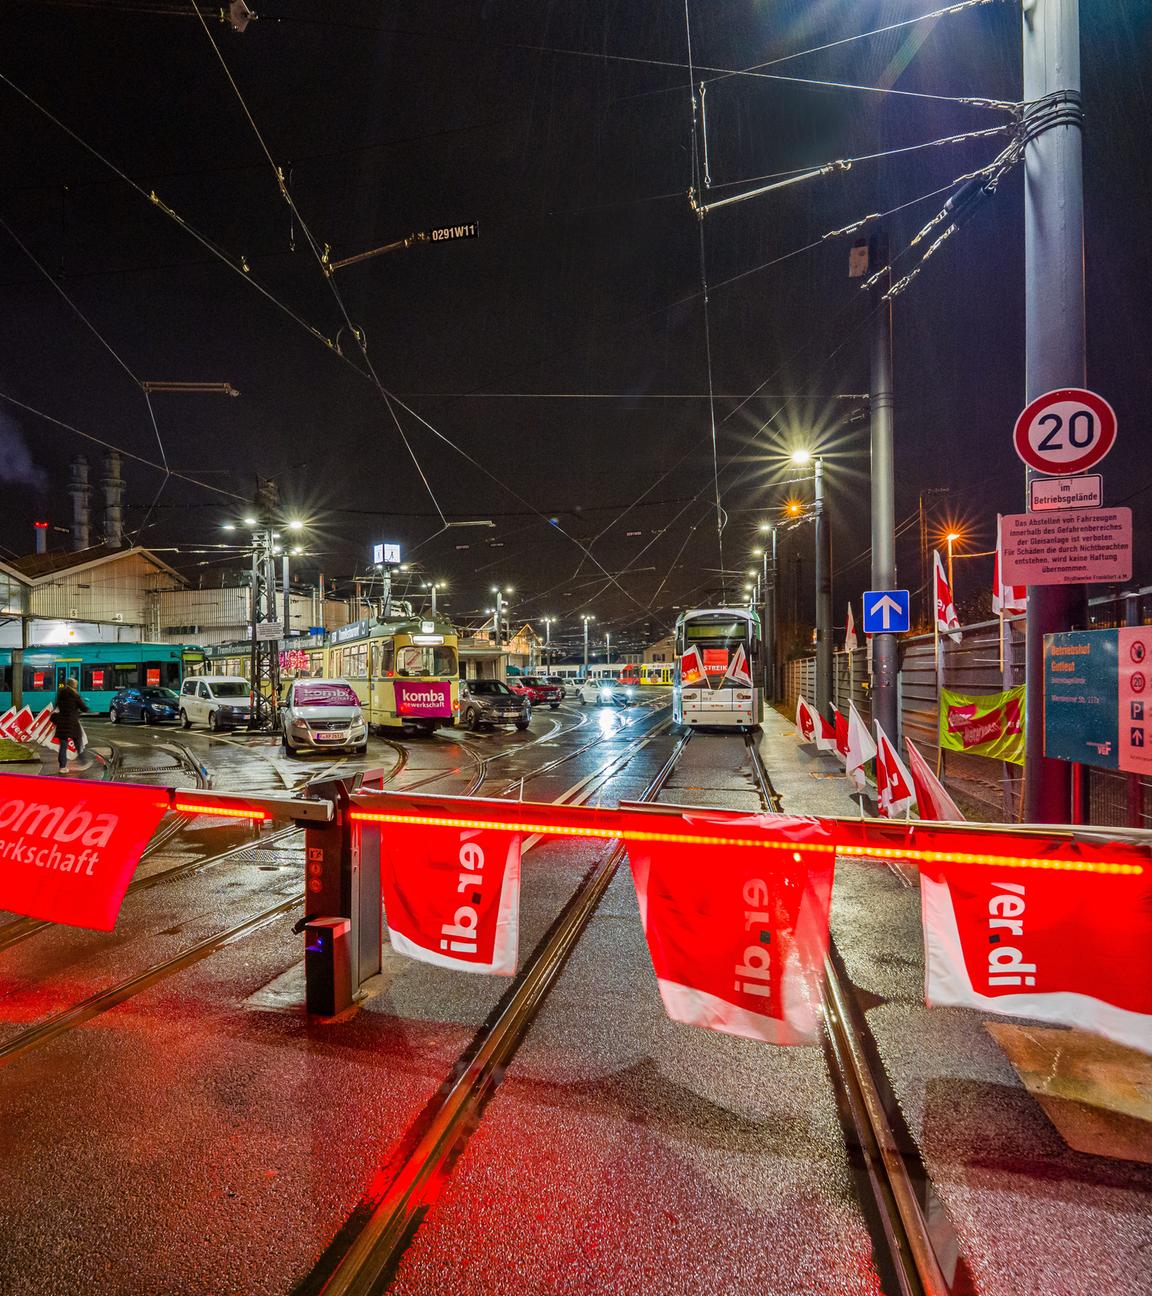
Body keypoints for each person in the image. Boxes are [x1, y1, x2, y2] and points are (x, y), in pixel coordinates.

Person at [51, 678, 90, 773]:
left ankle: (62, 767)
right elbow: (84, 708)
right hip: (72, 723)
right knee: (78, 742)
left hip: (62, 722)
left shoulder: (61, 694)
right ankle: (83, 762)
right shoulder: (75, 695)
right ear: (74, 686)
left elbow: (57, 705)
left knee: (63, 746)